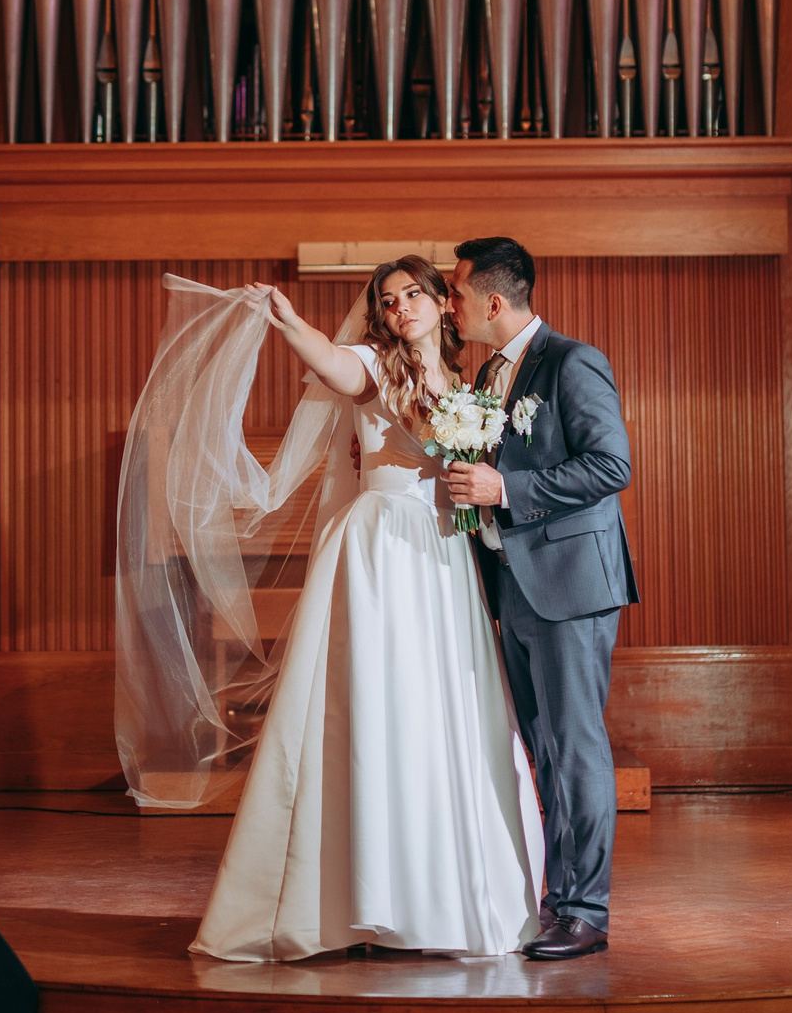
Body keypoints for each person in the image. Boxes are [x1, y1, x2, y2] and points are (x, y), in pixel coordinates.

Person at [180, 255, 545, 962]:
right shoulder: (374, 366)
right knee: (377, 703)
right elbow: (331, 361)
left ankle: (446, 897)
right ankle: (356, 900)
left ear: (442, 302)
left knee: (440, 708)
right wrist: (291, 324)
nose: (401, 307)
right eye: (388, 300)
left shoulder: (467, 385)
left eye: (413, 294)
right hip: (382, 548)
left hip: (444, 553)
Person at [442, 236, 637, 961]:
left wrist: (506, 488)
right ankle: (558, 900)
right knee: (543, 749)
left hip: (570, 583)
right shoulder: (487, 372)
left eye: (456, 293)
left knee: (575, 747)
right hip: (514, 583)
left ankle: (586, 910)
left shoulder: (571, 361)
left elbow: (611, 464)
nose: (450, 305)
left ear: (493, 300)